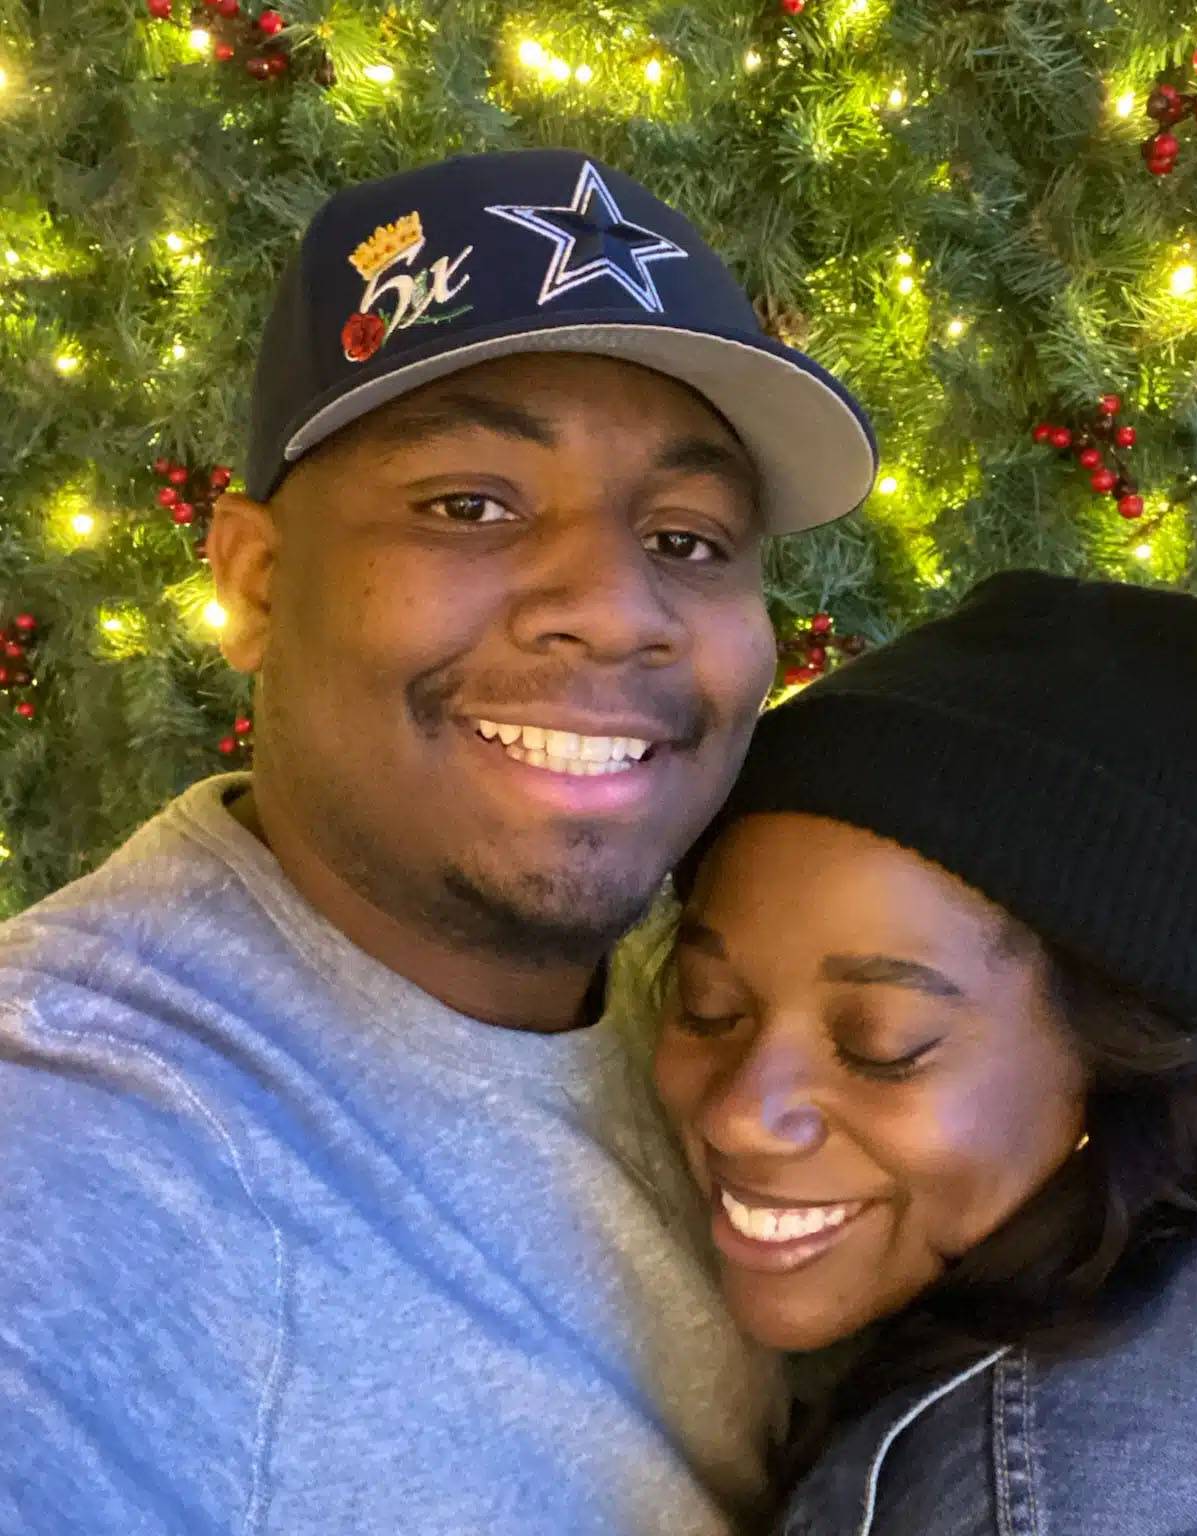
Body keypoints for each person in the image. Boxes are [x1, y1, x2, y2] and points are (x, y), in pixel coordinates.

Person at [0, 149, 876, 1534]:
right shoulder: (79, 1154)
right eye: (472, 505)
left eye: (691, 539)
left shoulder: (730, 1009)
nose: (613, 605)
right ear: (256, 580)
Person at [654, 570, 1197, 1536]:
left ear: (1114, 1064)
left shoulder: (1066, 1493)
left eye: (882, 1046)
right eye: (709, 1007)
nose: (744, 1109)